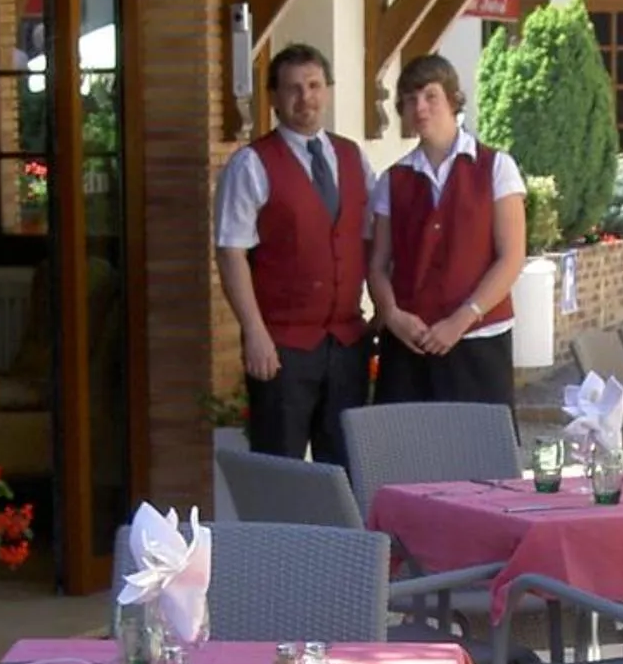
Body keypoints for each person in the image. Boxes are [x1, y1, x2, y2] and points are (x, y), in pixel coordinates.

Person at [211, 43, 373, 464]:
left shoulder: (353, 157)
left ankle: (340, 535)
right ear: (275, 99)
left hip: (346, 343)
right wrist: (255, 332)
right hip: (282, 346)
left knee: (346, 467)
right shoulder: (251, 164)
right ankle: (278, 535)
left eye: (315, 86)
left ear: (329, 90)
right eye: (294, 89)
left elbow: (371, 241)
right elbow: (231, 253)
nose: (307, 98)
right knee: (278, 465)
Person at [368, 54, 527, 410]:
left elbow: (511, 256)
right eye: (409, 100)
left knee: (480, 458)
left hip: (479, 341)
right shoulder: (393, 180)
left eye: (429, 96)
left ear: (453, 99)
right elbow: (377, 264)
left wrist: (462, 318)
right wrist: (392, 315)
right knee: (407, 458)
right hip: (410, 342)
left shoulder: (496, 167)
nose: (419, 107)